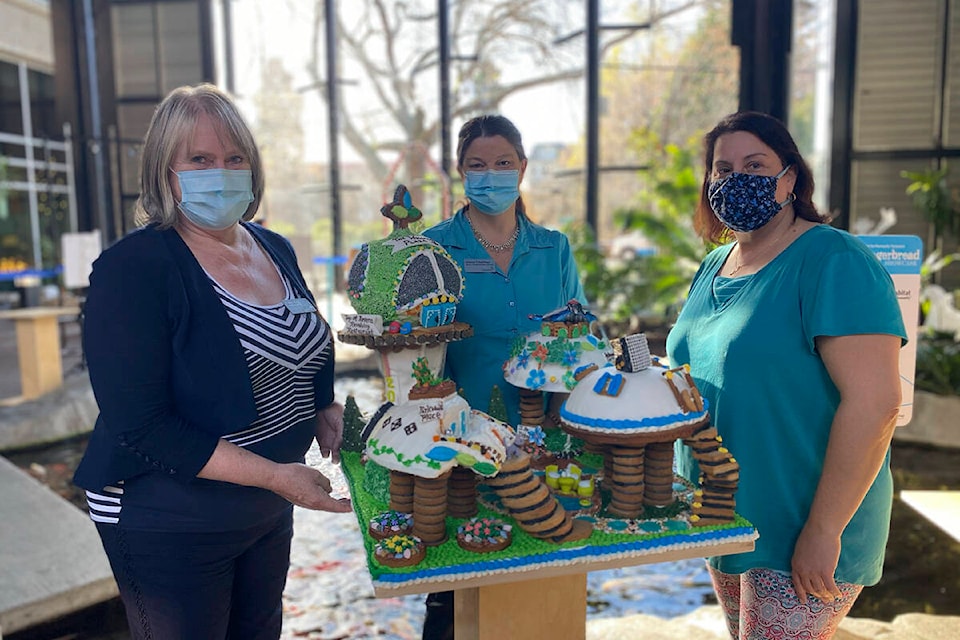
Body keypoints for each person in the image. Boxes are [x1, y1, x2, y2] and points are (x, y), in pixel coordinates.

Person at [73, 83, 351, 640]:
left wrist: (323, 408)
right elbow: (141, 424)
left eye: (234, 157)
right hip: (169, 516)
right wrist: (275, 476)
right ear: (164, 172)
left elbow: (304, 345)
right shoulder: (135, 268)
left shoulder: (274, 248)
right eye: (199, 159)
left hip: (266, 504)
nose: (220, 172)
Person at [667, 111, 906, 639]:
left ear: (791, 177)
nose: (736, 180)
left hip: (802, 524)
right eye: (723, 170)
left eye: (756, 165)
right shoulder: (715, 264)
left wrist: (824, 531)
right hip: (727, 517)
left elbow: (876, 404)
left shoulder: (834, 261)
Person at [420, 114, 587, 639]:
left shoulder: (553, 248)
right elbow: (418, 347)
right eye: (477, 165)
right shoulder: (434, 247)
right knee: (455, 588)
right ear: (459, 172)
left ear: (522, 168)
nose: (490, 174)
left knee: (543, 573)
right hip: (462, 442)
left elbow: (578, 334)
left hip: (544, 441)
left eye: (502, 163)